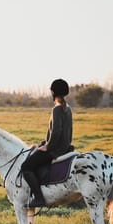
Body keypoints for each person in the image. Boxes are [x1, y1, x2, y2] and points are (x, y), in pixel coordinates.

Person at [21, 78, 73, 208]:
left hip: (55, 150)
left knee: (26, 167)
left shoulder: (57, 109)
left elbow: (56, 132)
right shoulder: (68, 108)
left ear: (54, 92)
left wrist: (47, 147)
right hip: (66, 148)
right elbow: (67, 131)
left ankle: (39, 198)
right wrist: (43, 143)